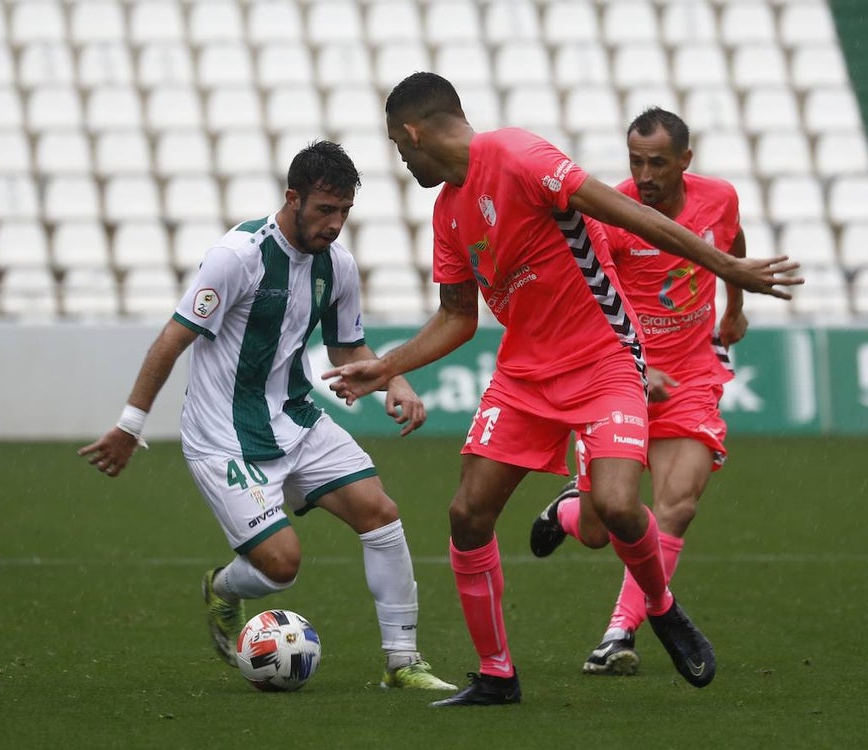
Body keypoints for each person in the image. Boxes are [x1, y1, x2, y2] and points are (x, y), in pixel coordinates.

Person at [323, 73, 801, 707]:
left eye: (397, 146)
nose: (402, 160)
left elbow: (631, 213)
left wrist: (726, 268)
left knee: (619, 506)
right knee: (467, 515)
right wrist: (385, 367)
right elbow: (458, 317)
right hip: (524, 376)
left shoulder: (520, 155)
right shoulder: (448, 212)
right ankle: (497, 675)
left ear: (413, 133)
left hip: (603, 358)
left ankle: (659, 606)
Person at [78, 140, 456, 691]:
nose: (334, 224)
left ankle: (403, 662)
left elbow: (347, 347)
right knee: (282, 566)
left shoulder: (338, 265)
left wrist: (394, 380)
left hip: (298, 420)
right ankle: (223, 589)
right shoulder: (237, 256)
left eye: (344, 212)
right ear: (292, 198)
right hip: (224, 439)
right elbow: (171, 340)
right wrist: (130, 424)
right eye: (325, 210)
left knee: (381, 513)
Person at [530, 108, 749, 677]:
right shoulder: (614, 212)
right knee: (605, 527)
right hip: (618, 379)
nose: (644, 174)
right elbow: (585, 295)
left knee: (677, 505)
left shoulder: (719, 197)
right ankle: (574, 511)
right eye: (635, 161)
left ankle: (619, 632)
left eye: (657, 162)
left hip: (694, 377)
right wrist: (634, 360)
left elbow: (730, 243)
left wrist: (736, 308)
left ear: (685, 162)